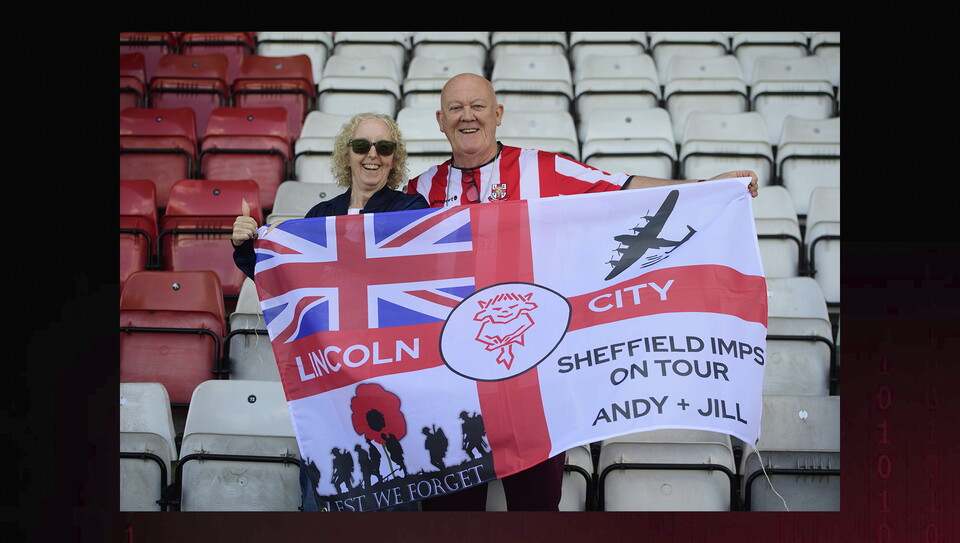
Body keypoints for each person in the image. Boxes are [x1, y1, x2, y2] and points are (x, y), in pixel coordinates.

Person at [406, 73, 760, 512]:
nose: (467, 116)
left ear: (497, 115)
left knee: (535, 513)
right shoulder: (417, 194)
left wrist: (709, 188)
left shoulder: (543, 168)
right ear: (440, 121)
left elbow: (623, 189)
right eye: (455, 108)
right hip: (452, 386)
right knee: (452, 520)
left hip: (532, 378)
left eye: (477, 106)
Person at [230, 112, 428, 511]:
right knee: (327, 496)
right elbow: (285, 284)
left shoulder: (411, 209)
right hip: (329, 382)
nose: (372, 155)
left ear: (395, 158)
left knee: (394, 502)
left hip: (392, 377)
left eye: (384, 147)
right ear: (347, 154)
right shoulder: (320, 218)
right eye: (362, 146)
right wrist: (247, 247)